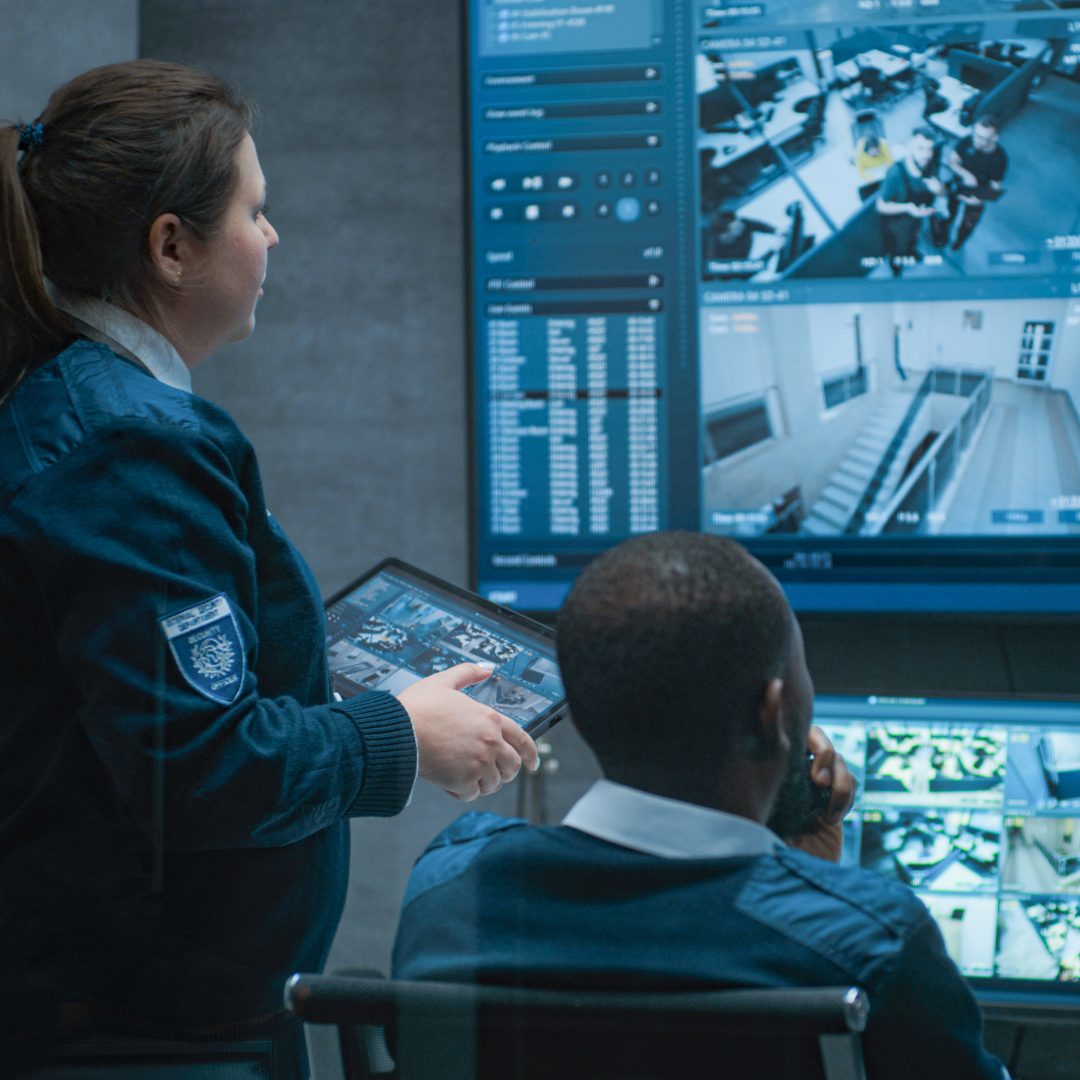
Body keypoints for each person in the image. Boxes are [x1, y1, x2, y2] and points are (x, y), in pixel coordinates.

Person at [0, 60, 537, 1073]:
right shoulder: (128, 441)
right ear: (170, 246)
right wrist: (400, 735)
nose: (272, 236)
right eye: (255, 209)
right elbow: (199, 769)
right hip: (136, 1037)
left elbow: (147, 705)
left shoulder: (79, 401)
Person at [393, 532, 1008, 1080]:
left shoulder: (448, 889)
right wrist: (819, 884)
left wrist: (801, 870)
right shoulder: (871, 941)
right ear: (772, 713)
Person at [875, 126, 945, 276]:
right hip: (898, 223)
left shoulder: (928, 164)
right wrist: (907, 208)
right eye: (920, 148)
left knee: (913, 239)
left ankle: (911, 252)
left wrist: (939, 190)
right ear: (910, 146)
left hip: (917, 219)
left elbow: (942, 193)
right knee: (898, 248)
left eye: (929, 149)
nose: (926, 155)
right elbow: (881, 206)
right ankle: (896, 268)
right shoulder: (895, 173)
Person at [945, 116, 1008, 251]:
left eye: (983, 138)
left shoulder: (1000, 159)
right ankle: (947, 226)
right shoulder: (968, 141)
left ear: (994, 138)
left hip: (978, 194)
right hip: (959, 185)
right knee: (949, 211)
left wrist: (979, 201)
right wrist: (967, 175)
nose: (976, 141)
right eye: (976, 135)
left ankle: (959, 242)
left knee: (968, 224)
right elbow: (952, 161)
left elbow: (995, 187)